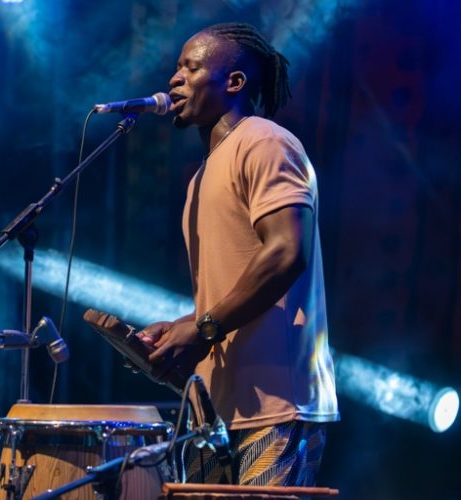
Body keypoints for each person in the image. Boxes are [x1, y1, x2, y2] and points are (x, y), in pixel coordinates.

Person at [138, 23, 339, 487]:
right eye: (176, 68)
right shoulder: (201, 177)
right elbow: (233, 285)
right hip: (220, 411)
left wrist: (205, 326)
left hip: (277, 401)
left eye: (191, 67)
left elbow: (287, 252)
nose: (174, 79)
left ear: (234, 82)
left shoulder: (265, 142)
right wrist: (184, 325)